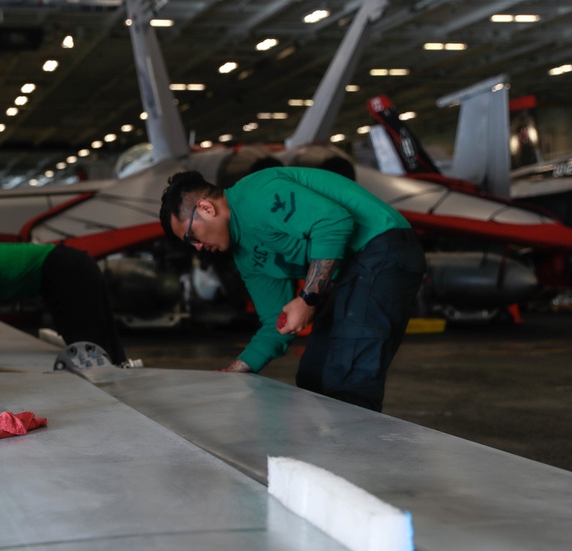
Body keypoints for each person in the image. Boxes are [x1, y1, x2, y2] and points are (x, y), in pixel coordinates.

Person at [159, 167, 426, 412]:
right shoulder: (246, 257)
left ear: (206, 208)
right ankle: (323, 457)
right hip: (352, 271)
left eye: (191, 237)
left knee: (347, 381)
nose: (196, 247)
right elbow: (275, 323)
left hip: (384, 246)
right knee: (314, 375)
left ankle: (353, 458)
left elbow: (333, 222)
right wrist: (235, 371)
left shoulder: (256, 193)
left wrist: (308, 297)